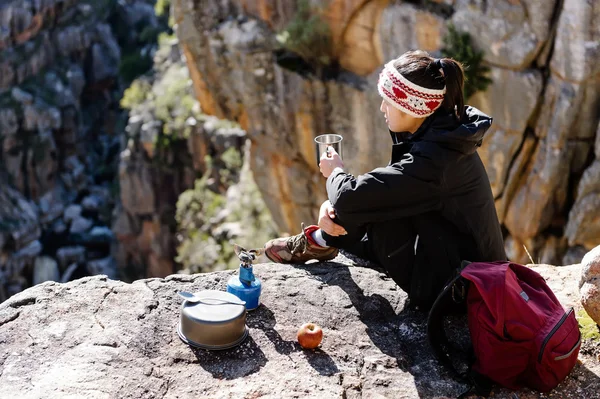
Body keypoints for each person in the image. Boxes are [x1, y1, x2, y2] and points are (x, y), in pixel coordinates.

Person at [264, 50, 506, 309]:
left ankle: (323, 241)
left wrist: (334, 173)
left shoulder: (436, 161)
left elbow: (353, 196)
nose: (382, 108)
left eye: (389, 102)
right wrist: (335, 204)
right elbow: (381, 191)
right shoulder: (445, 134)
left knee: (359, 200)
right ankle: (324, 239)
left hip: (462, 292)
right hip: (464, 267)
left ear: (414, 107)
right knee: (368, 199)